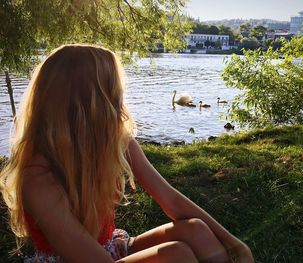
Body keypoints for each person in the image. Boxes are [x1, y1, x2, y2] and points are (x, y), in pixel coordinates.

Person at [0, 44, 254, 263]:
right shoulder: (38, 179)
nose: (120, 101)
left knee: (196, 231)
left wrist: (235, 244)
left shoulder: (115, 142)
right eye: (113, 91)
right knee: (175, 255)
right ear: (89, 103)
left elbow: (171, 200)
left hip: (109, 250)